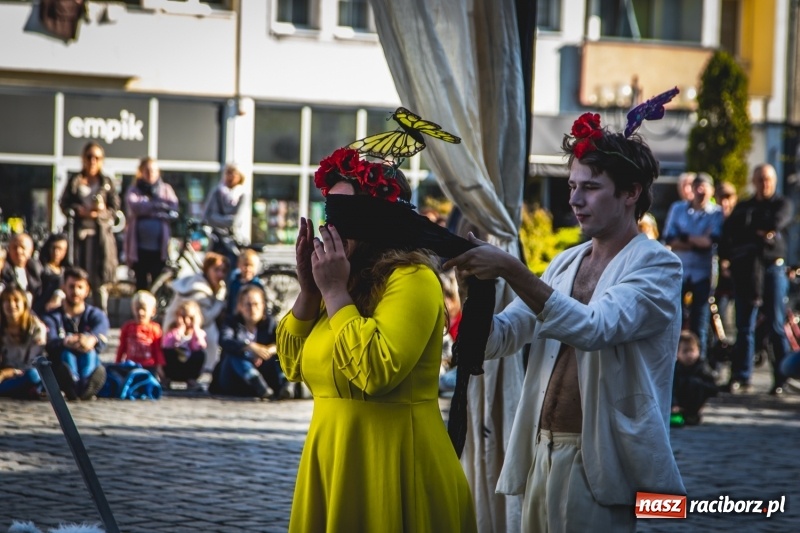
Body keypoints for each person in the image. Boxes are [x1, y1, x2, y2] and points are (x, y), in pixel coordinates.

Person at [444, 111, 685, 531]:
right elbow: (500, 338)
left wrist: (511, 268)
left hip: (603, 459)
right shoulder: (565, 263)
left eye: (590, 188)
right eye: (573, 186)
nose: (574, 200)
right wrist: (471, 289)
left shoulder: (659, 266)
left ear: (631, 192)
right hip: (540, 449)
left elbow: (594, 328)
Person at [276, 146, 477, 532]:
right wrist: (310, 292)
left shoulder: (413, 279)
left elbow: (375, 370)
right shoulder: (340, 278)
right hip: (331, 462)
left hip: (396, 465)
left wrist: (335, 294)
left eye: (346, 217)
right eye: (328, 215)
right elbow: (290, 364)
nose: (332, 229)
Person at [720, 163, 794, 395]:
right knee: (744, 326)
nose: (764, 184)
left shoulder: (782, 204)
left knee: (775, 325)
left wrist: (753, 229)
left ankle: (781, 378)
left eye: (768, 179)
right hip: (746, 271)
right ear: (753, 182)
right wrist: (757, 232)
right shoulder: (744, 206)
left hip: (772, 269)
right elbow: (730, 232)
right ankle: (741, 375)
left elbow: (774, 223)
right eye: (760, 179)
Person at [663, 172, 724, 361]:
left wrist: (684, 237)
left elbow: (711, 242)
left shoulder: (717, 212)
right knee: (673, 320)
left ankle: (699, 365)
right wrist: (697, 240)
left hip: (703, 273)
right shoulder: (678, 208)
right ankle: (674, 363)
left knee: (700, 321)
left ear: (711, 191)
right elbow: (669, 238)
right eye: (696, 188)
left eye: (704, 188)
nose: (700, 192)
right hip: (679, 270)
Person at [59, 142, 120, 304]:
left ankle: (99, 318)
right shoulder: (75, 180)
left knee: (98, 281)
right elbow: (64, 204)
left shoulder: (106, 182)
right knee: (78, 277)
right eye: (89, 157)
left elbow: (115, 210)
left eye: (97, 157)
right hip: (79, 237)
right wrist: (78, 210)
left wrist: (99, 211)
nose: (93, 161)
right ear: (83, 159)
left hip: (100, 238)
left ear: (102, 160)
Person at [43, 267, 110, 401]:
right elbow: (50, 342)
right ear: (64, 287)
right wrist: (67, 341)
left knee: (90, 353)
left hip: (87, 356)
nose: (75, 291)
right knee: (67, 354)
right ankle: (72, 384)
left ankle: (86, 384)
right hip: (62, 361)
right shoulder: (52, 316)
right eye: (71, 286)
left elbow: (101, 335)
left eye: (80, 287)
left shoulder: (96, 315)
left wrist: (91, 339)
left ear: (87, 290)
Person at [212, 285, 287, 399]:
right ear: (240, 306)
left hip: (265, 375)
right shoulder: (231, 322)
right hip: (235, 378)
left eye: (256, 304)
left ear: (263, 306)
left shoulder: (270, 324)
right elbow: (225, 340)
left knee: (281, 355)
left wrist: (269, 350)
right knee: (234, 353)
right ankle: (254, 379)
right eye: (248, 304)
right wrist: (249, 347)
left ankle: (286, 384)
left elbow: (284, 343)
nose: (252, 309)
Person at [162, 252, 228, 373]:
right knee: (210, 331)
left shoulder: (205, 283)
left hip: (184, 328)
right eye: (216, 270)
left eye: (223, 271)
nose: (220, 274)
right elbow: (204, 319)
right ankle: (206, 366)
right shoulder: (198, 289)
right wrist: (219, 302)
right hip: (177, 330)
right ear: (207, 269)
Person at [124, 157, 179, 291]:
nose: (150, 174)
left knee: (157, 284)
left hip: (159, 249)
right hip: (140, 249)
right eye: (147, 170)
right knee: (141, 284)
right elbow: (135, 206)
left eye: (153, 170)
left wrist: (149, 208)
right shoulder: (134, 189)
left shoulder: (166, 189)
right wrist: (158, 207)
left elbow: (173, 208)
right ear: (141, 172)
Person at [0, 288, 47, 399]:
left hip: (26, 372)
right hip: (5, 375)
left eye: (16, 300)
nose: (11, 305)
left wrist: (8, 372)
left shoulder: (36, 327)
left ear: (24, 304)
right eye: (7, 301)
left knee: (33, 375)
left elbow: (33, 360)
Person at [203, 164, 248, 265]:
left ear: (240, 176)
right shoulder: (217, 192)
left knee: (231, 269)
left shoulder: (243, 194)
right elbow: (208, 217)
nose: (230, 176)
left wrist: (217, 219)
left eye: (234, 173)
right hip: (216, 240)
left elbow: (235, 221)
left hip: (233, 241)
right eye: (228, 173)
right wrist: (226, 220)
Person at [115, 290, 165, 381]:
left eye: (144, 309)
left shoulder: (155, 329)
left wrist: (159, 366)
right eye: (137, 309)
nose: (140, 312)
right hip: (131, 365)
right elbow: (122, 347)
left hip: (149, 366)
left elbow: (158, 350)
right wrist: (117, 363)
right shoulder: (127, 327)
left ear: (152, 311)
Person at [671, 330, 718, 427]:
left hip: (695, 399)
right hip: (679, 401)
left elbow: (713, 388)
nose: (689, 355)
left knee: (694, 382)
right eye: (685, 351)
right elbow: (671, 388)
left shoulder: (702, 366)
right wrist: (674, 404)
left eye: (692, 350)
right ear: (677, 353)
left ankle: (692, 414)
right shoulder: (676, 368)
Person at [162, 299, 207, 391]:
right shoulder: (172, 330)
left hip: (188, 366)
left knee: (200, 354)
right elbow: (166, 345)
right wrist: (178, 332)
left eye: (190, 318)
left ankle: (191, 380)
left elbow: (199, 346)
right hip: (174, 366)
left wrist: (195, 329)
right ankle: (166, 379)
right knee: (166, 352)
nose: (186, 321)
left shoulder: (198, 333)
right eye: (182, 317)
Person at [0, 233, 43, 306]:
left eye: (22, 247)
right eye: (15, 247)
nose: (18, 251)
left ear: (30, 251)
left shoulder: (36, 269)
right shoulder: (3, 269)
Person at [33, 233, 70, 316]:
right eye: (54, 248)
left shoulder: (67, 270)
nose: (56, 252)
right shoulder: (40, 267)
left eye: (60, 249)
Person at [225, 248, 265, 319]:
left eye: (251, 266)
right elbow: (230, 302)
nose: (248, 269)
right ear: (238, 265)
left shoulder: (257, 284)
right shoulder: (234, 283)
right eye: (245, 265)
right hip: (236, 317)